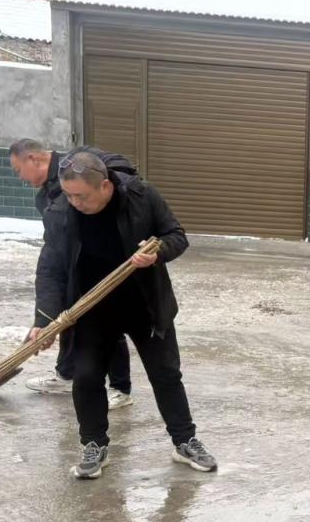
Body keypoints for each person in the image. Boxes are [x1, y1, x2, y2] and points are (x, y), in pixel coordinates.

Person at [29, 149, 217, 479]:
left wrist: (158, 252)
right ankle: (94, 445)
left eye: (81, 196)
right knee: (86, 377)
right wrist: (44, 320)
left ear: (105, 186)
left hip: (144, 304)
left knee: (165, 374)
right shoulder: (60, 212)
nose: (74, 203)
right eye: (69, 195)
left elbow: (176, 235)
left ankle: (185, 441)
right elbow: (51, 269)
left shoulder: (142, 197)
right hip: (91, 307)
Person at [9, 139, 134, 410]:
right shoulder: (48, 195)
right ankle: (67, 374)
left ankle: (120, 388)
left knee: (107, 321)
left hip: (106, 260)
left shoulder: (77, 163)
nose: (20, 177)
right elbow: (53, 252)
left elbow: (121, 170)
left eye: (18, 170)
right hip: (73, 263)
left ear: (33, 159)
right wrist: (44, 318)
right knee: (67, 317)